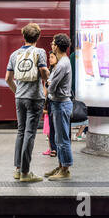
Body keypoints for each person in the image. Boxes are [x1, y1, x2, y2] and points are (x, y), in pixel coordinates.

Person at [5, 23, 49, 182]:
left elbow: (8, 79)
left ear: (24, 37)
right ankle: (25, 172)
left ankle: (18, 169)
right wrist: (47, 78)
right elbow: (44, 72)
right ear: (38, 37)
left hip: (20, 98)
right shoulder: (40, 52)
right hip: (35, 98)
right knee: (30, 134)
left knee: (21, 132)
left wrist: (17, 91)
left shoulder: (14, 54)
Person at [45, 33, 74, 181]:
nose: (51, 45)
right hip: (58, 103)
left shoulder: (62, 64)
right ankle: (61, 165)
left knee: (62, 139)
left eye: (52, 43)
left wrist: (48, 83)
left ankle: (65, 168)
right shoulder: (62, 62)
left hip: (61, 104)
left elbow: (51, 86)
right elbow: (50, 82)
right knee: (58, 138)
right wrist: (49, 83)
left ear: (57, 46)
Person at [43, 51, 58, 157]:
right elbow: (45, 87)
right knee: (51, 126)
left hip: (57, 100)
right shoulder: (50, 71)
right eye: (49, 57)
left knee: (57, 126)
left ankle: (56, 147)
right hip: (50, 101)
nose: (50, 59)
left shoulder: (59, 70)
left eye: (52, 57)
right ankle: (53, 148)